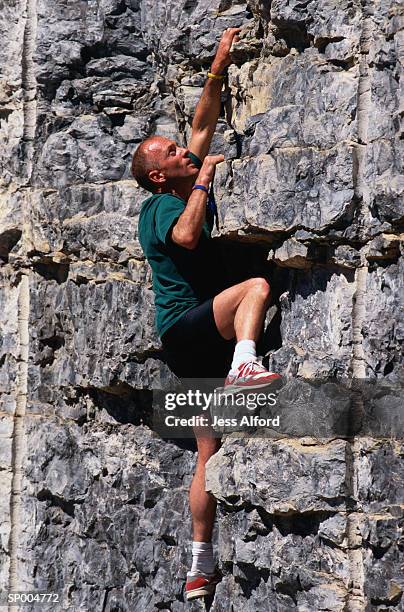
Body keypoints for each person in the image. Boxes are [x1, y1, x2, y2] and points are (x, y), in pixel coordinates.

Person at [132, 28, 281, 601]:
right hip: (188, 331)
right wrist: (207, 181)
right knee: (256, 287)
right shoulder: (158, 207)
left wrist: (217, 68)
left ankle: (199, 565)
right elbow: (189, 238)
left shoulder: (177, 177)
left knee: (207, 449)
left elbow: (202, 123)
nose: (183, 151)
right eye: (170, 153)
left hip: (193, 336)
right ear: (156, 175)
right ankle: (246, 363)